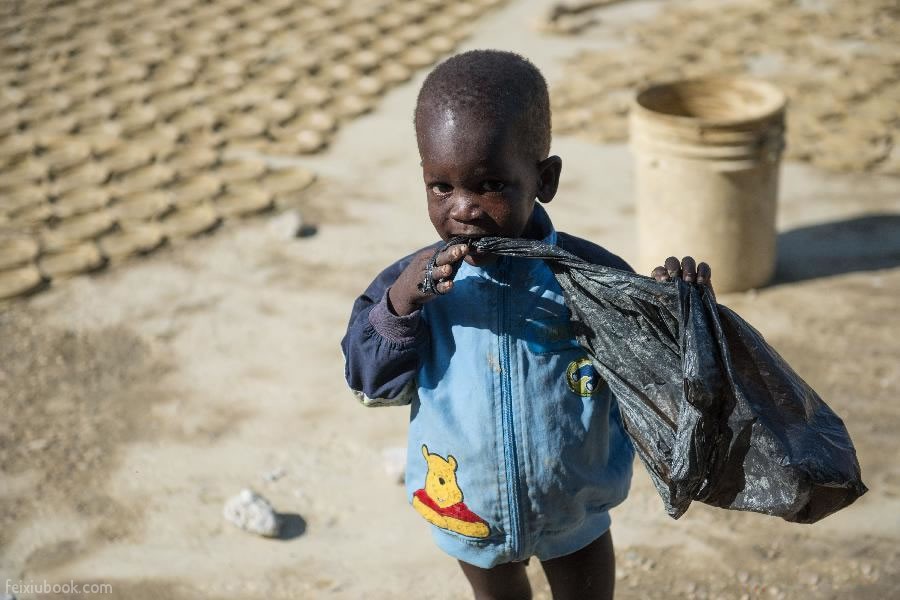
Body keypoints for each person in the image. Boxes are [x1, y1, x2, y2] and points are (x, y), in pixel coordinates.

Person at [341, 50, 710, 600]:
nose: (462, 209)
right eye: (441, 187)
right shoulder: (415, 284)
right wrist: (399, 307)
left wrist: (678, 314)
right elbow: (370, 385)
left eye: (489, 184)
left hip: (576, 512)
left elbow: (661, 386)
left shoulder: (591, 278)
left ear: (544, 179)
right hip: (467, 510)